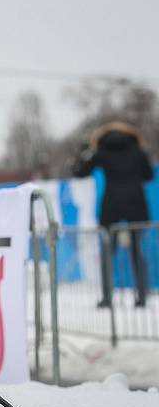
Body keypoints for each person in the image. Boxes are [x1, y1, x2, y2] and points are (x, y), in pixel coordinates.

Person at [72, 121, 153, 308]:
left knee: (108, 253)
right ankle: (142, 297)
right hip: (136, 204)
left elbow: (80, 172)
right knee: (137, 252)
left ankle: (107, 298)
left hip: (112, 206)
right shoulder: (138, 151)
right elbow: (148, 175)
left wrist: (84, 154)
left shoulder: (102, 151)